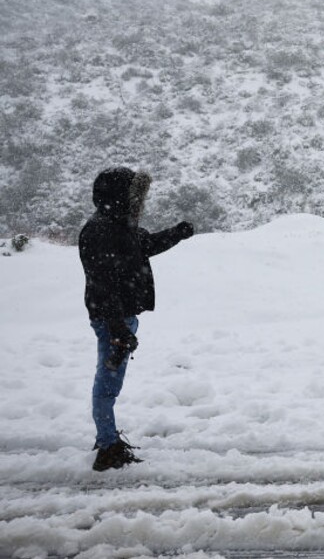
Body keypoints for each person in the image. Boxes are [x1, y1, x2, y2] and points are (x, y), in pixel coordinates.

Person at [78, 167, 195, 471]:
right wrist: (118, 329)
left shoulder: (119, 224)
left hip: (120, 317)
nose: (140, 201)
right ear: (119, 196)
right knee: (107, 386)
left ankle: (108, 439)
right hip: (111, 320)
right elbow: (103, 284)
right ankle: (107, 448)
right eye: (135, 194)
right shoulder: (100, 231)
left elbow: (145, 245)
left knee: (109, 383)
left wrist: (176, 234)